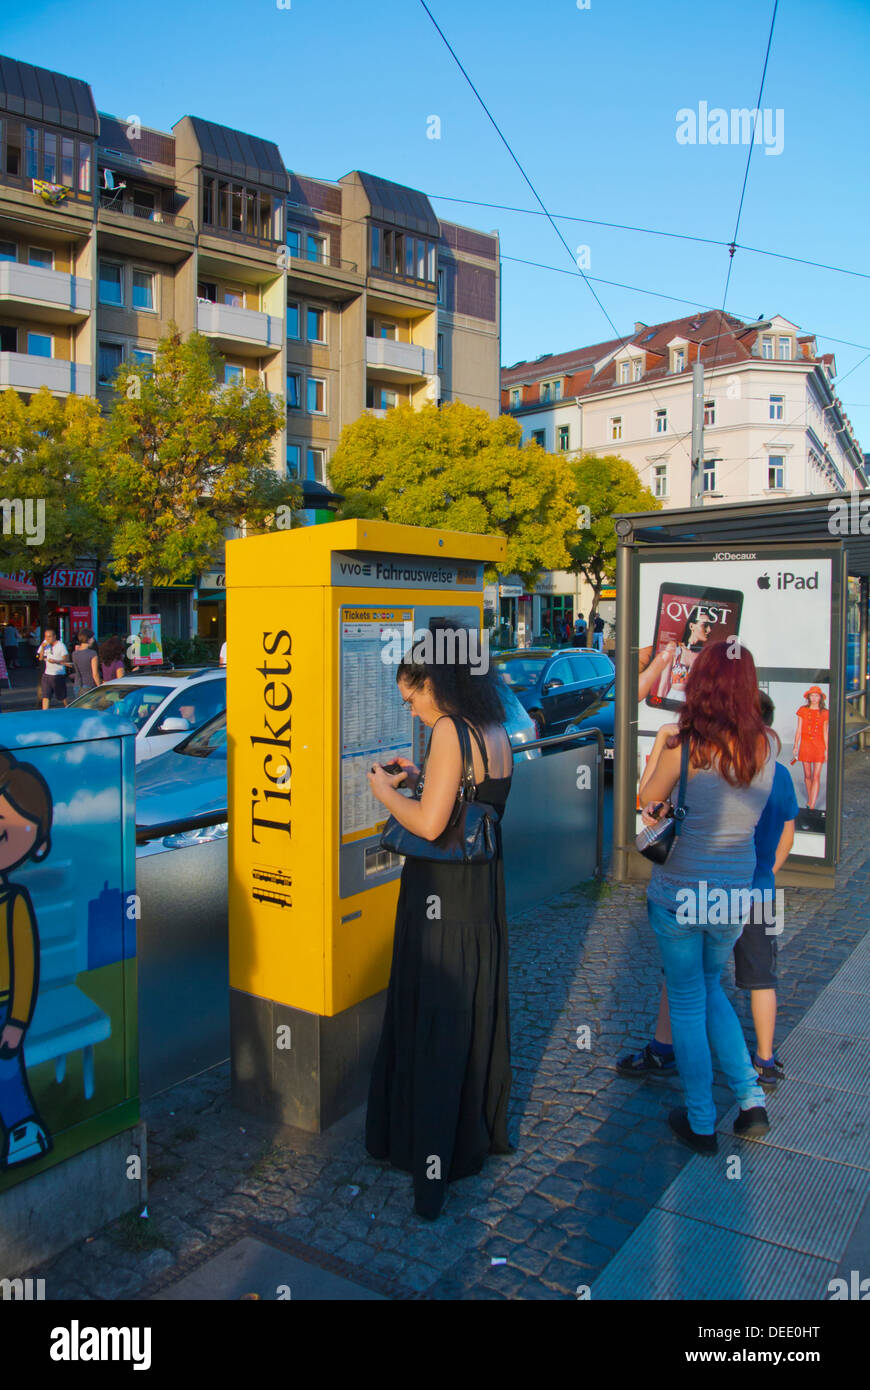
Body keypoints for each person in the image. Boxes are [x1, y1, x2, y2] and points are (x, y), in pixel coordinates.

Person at [365, 623, 514, 1219]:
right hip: (481, 889)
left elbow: (429, 827)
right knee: (471, 1011)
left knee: (436, 1016)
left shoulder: (451, 729)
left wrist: (385, 791)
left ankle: (430, 1168)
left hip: (442, 892)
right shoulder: (494, 726)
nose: (414, 710)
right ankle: (471, 1137)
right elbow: (473, 807)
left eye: (413, 697)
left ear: (436, 679)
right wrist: (424, 778)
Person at [632, 639, 777, 1153]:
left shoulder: (684, 745)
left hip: (681, 895)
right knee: (712, 988)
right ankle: (750, 1098)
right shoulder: (768, 745)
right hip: (734, 897)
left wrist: (663, 745)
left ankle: (699, 1120)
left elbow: (645, 800)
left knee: (689, 1003)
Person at [619, 690, 797, 1092]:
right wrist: (766, 873)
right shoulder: (774, 765)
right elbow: (786, 837)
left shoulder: (703, 757)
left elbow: (648, 798)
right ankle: (763, 1065)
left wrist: (666, 737)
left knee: (683, 981)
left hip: (696, 889)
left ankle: (671, 1062)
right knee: (758, 978)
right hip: (755, 891)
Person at [791, 686, 828, 813]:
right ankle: (810, 798)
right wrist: (796, 745)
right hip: (805, 745)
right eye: (812, 695)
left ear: (820, 697)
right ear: (808, 697)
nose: (814, 698)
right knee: (807, 775)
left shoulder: (825, 713)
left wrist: (827, 749)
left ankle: (811, 804)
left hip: (819, 745)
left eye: (816, 695)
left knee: (816, 775)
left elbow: (825, 732)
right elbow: (799, 729)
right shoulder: (802, 710)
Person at [36, 629, 70, 710]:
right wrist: (43, 648)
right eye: (46, 637)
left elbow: (66, 659)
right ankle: (45, 712)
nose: (47, 639)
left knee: (62, 696)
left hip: (58, 674)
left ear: (54, 637)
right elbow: (40, 658)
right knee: (46, 696)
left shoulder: (61, 646)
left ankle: (68, 708)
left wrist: (56, 661)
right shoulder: (44, 644)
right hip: (47, 674)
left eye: (49, 637)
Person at [71, 630, 101, 696]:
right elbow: (95, 674)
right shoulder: (92, 653)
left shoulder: (74, 653)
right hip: (89, 685)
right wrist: (99, 686)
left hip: (77, 684)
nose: (93, 640)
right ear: (88, 639)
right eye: (92, 638)